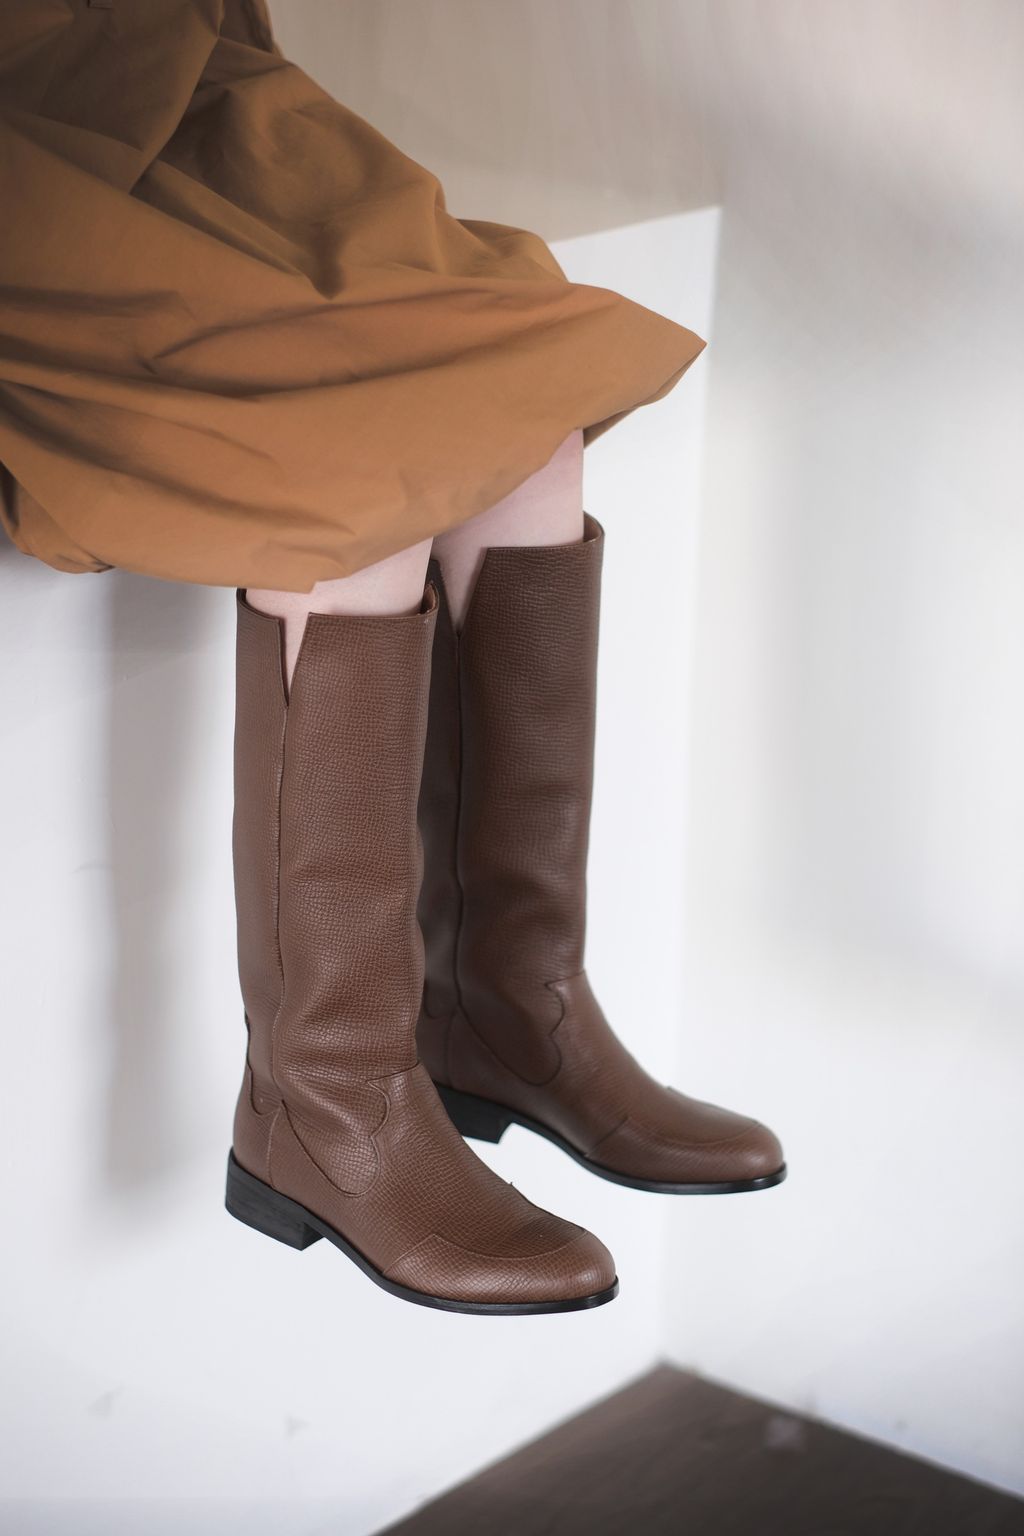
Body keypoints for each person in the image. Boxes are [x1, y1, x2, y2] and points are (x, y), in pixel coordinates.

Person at [0, 0, 785, 1316]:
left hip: (180, 78)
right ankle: (330, 1098)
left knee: (529, 398)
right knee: (355, 466)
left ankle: (513, 997)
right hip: (41, 136)